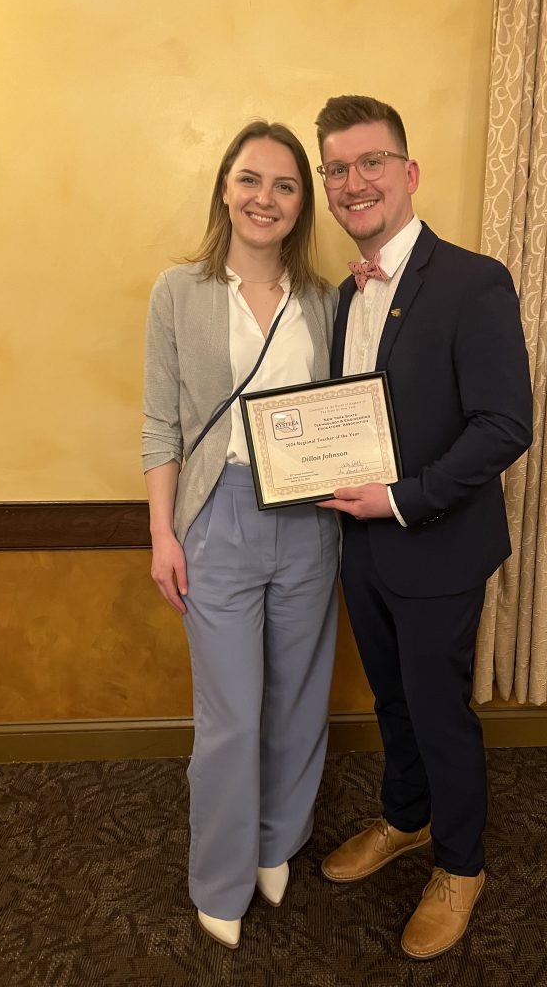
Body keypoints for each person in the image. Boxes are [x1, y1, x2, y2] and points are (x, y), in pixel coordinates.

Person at [314, 95, 533, 959]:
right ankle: (405, 819)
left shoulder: (474, 280)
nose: (353, 181)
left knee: (440, 708)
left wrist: (402, 499)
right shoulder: (341, 297)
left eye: (371, 163)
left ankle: (461, 864)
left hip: (435, 542)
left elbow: (504, 425)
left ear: (408, 175)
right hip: (358, 546)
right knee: (392, 697)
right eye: (338, 168)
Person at [142, 121, 339, 950]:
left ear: (301, 205)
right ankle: (219, 874)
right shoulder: (179, 291)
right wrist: (162, 534)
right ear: (225, 187)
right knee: (229, 716)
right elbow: (162, 426)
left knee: (297, 699)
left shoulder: (328, 299)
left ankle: (274, 841)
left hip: (310, 521)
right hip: (216, 517)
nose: (267, 198)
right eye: (252, 179)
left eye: (286, 185)